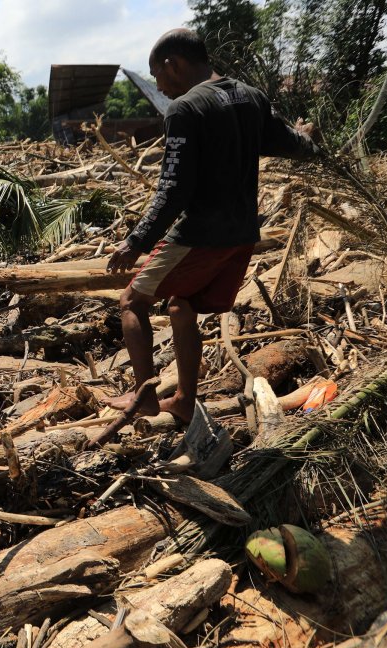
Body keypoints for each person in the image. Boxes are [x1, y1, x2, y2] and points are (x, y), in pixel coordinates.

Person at [103, 28, 318, 423]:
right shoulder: (251, 97)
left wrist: (137, 241)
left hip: (199, 234)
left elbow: (173, 190)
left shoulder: (185, 109)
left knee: (132, 302)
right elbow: (290, 144)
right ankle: (184, 401)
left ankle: (145, 397)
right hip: (240, 237)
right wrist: (309, 138)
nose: (160, 87)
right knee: (180, 305)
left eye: (158, 76)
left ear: (173, 64)